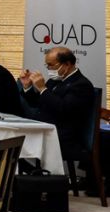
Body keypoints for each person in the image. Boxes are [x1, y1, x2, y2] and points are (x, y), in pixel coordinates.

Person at [19, 46, 97, 192]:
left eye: (51, 65)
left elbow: (63, 109)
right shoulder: (55, 80)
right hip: (46, 129)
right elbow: (39, 103)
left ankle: (39, 181)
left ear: (67, 64)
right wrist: (28, 87)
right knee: (9, 142)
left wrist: (43, 89)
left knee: (15, 144)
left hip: (65, 136)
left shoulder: (81, 85)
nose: (48, 68)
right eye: (46, 65)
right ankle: (32, 177)